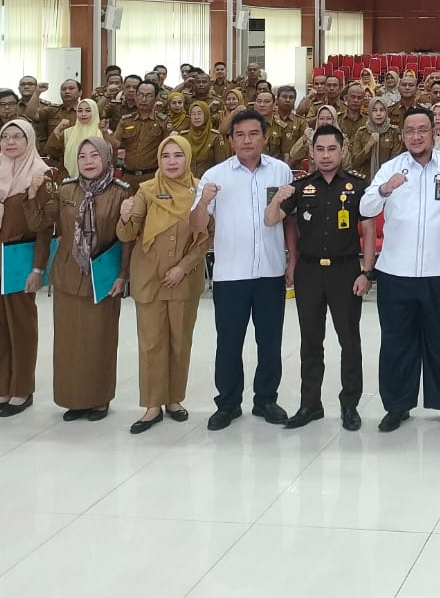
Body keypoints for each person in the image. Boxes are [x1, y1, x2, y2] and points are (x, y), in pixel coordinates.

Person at [361, 107, 440, 431]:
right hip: (396, 272)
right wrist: (384, 189)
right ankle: (397, 405)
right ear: (402, 135)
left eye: (422, 130)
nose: (416, 136)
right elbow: (365, 207)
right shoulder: (390, 168)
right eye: (409, 131)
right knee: (397, 342)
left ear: (433, 133)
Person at [271, 124, 375, 432]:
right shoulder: (301, 187)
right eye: (320, 149)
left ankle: (349, 405)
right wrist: (291, 260)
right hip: (309, 271)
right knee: (310, 340)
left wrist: (367, 271)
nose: (326, 155)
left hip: (346, 271)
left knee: (349, 341)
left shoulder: (357, 185)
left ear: (343, 151)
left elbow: (369, 229)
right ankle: (310, 404)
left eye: (332, 149)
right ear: (311, 152)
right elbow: (277, 220)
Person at [195, 109, 294, 430]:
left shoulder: (281, 171)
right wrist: (203, 202)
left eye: (253, 134)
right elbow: (196, 225)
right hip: (230, 275)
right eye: (240, 135)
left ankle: (266, 399)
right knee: (229, 342)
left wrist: (292, 260)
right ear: (231, 140)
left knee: (270, 341)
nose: (247, 140)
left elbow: (289, 221)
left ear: (265, 137)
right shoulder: (214, 176)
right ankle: (228, 403)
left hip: (270, 271)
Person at [118, 133, 211, 433]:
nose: (172, 161)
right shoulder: (145, 191)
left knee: (179, 341)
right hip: (150, 278)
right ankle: (152, 405)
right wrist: (125, 217)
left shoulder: (200, 192)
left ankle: (174, 400)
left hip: (183, 280)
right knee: (151, 343)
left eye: (178, 155)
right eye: (166, 156)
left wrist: (183, 268)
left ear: (188, 158)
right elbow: (127, 234)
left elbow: (206, 236)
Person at [0, 117, 55, 416]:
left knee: (21, 327)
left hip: (19, 260)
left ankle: (22, 390)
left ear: (29, 140)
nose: (10, 142)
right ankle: (3, 390)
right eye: (6, 137)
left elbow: (44, 228)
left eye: (18, 136)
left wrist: (38, 269)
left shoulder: (40, 176)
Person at [50, 137, 128, 421]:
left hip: (102, 278)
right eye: (82, 156)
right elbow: (45, 224)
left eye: (94, 155)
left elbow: (127, 239)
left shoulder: (121, 192)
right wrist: (33, 197)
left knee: (100, 340)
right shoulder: (66, 189)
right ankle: (74, 399)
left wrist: (123, 275)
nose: (88, 161)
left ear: (106, 158)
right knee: (69, 341)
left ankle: (99, 399)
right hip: (68, 274)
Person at [109, 81, 170, 183]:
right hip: (128, 176)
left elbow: (167, 150)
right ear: (136, 97)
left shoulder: (163, 122)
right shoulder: (126, 121)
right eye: (140, 95)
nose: (144, 99)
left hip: (152, 177)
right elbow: (115, 144)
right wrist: (104, 133)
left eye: (148, 96)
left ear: (156, 99)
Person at [351, 96, 403, 183]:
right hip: (365, 181)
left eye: (382, 110)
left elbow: (396, 160)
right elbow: (356, 163)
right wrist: (368, 146)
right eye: (374, 110)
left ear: (386, 112)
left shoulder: (394, 131)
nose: (378, 114)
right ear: (369, 112)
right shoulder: (361, 132)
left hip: (387, 180)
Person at [49, 98, 105, 175]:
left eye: (88, 111)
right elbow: (51, 151)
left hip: (97, 178)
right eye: (80, 111)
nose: (83, 114)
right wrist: (57, 129)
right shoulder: (68, 132)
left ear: (95, 112)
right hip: (70, 177)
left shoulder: (103, 133)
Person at [179, 100, 227, 171]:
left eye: (199, 114)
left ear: (206, 115)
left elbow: (221, 166)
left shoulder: (215, 137)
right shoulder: (183, 137)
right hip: (187, 177)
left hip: (209, 177)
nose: (196, 117)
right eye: (193, 114)